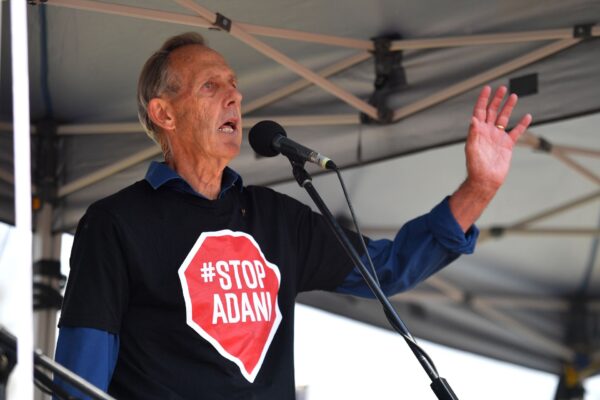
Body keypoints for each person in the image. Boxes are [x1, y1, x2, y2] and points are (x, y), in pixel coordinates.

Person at [54, 32, 532, 399]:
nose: (234, 97)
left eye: (235, 87)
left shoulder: (277, 219)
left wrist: (479, 188)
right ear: (165, 114)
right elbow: (80, 378)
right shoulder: (116, 223)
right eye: (210, 86)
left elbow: (386, 270)